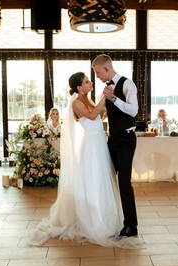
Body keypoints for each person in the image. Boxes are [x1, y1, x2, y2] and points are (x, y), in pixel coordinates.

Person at [29, 72, 142, 248]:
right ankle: (92, 221)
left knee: (102, 182)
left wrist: (110, 103)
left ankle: (105, 218)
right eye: (87, 82)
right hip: (90, 146)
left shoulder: (88, 100)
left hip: (99, 144)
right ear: (79, 87)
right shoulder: (76, 103)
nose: (91, 83)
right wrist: (107, 97)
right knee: (93, 181)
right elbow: (91, 116)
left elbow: (99, 114)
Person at [92, 54, 138, 238]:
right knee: (107, 179)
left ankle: (131, 225)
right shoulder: (106, 89)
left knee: (124, 183)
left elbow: (133, 110)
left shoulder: (128, 84)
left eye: (97, 72)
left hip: (127, 140)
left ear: (106, 69)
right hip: (112, 140)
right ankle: (110, 220)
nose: (97, 77)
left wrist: (113, 99)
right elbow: (103, 113)